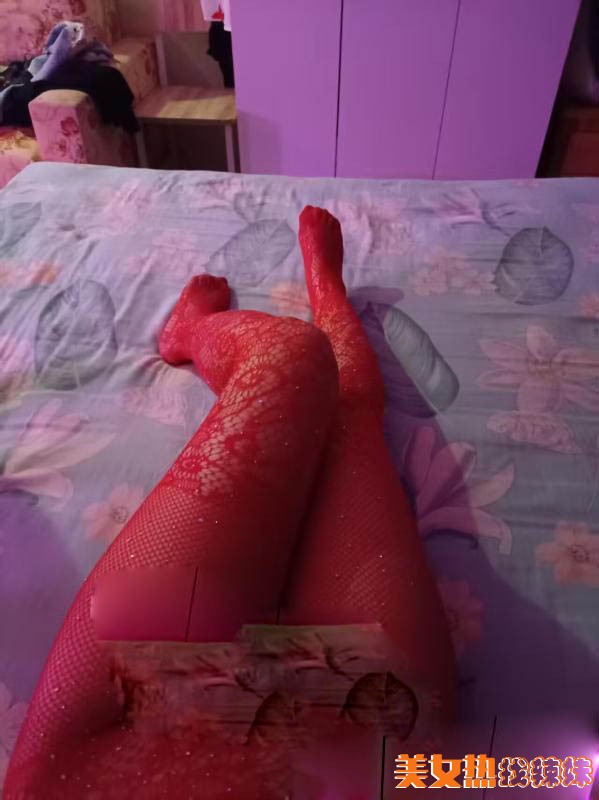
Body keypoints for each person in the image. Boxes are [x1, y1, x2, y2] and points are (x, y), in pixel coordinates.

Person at [5, 207, 455, 799]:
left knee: (294, 360)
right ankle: (321, 295)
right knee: (345, 408)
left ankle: (196, 331)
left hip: (111, 752)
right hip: (368, 755)